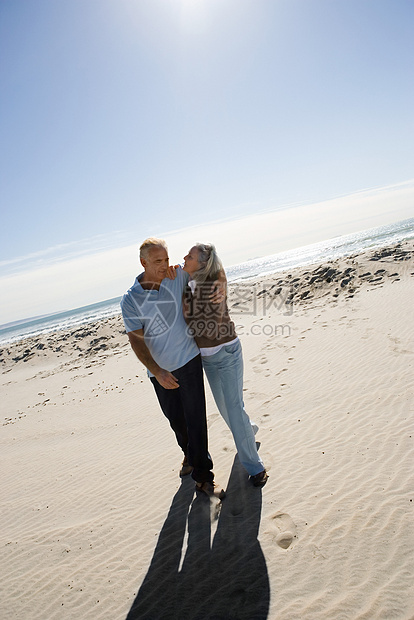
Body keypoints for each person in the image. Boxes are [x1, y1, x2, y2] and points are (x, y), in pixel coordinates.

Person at [120, 238, 215, 492]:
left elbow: (207, 273)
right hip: (160, 371)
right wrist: (156, 371)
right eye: (157, 261)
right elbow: (137, 341)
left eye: (166, 259)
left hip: (188, 359)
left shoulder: (176, 278)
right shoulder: (130, 300)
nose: (164, 265)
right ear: (143, 262)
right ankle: (188, 453)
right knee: (177, 421)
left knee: (196, 419)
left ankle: (203, 477)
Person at [182, 243, 268, 487]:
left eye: (190, 256)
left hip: (227, 352)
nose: (185, 258)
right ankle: (248, 431)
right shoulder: (186, 284)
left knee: (233, 407)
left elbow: (219, 271)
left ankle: (255, 467)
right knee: (226, 410)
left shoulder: (212, 283)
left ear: (202, 263)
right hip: (208, 359)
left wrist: (222, 279)